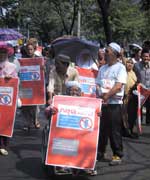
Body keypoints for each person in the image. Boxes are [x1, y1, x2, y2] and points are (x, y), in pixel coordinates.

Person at [96, 42, 127, 165]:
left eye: (107, 52)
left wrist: (107, 96)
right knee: (101, 129)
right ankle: (100, 152)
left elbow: (119, 86)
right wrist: (101, 94)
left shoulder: (120, 68)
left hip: (114, 104)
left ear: (114, 54)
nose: (105, 53)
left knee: (114, 130)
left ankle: (117, 154)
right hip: (102, 103)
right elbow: (98, 83)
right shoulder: (102, 68)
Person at [0, 42, 18, 155]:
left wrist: (10, 78)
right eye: (0, 52)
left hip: (7, 98)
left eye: (4, 52)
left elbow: (17, 81)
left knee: (6, 119)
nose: (2, 55)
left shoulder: (12, 67)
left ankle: (4, 144)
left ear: (8, 53)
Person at [20, 42, 41, 130]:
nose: (29, 51)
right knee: (25, 105)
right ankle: (27, 123)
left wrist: (42, 68)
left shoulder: (39, 59)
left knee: (35, 104)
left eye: (31, 49)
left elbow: (43, 73)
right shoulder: (22, 60)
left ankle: (36, 120)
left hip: (36, 85)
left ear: (34, 50)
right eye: (28, 49)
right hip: (25, 85)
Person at [134, 48, 150, 125]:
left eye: (147, 56)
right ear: (141, 57)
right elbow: (134, 77)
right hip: (141, 91)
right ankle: (139, 123)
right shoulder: (136, 65)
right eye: (144, 56)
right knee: (139, 108)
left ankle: (148, 123)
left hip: (149, 90)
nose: (146, 58)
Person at [123, 58, 138, 138]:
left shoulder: (133, 74)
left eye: (131, 63)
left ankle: (130, 130)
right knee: (124, 115)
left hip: (132, 98)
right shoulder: (122, 73)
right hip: (124, 97)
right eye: (128, 62)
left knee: (131, 115)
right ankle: (126, 131)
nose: (130, 64)